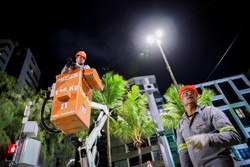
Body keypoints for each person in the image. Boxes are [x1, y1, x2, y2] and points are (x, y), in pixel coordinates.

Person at [176, 85, 241, 167]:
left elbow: (234, 136)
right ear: (181, 101)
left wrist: (206, 139)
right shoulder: (180, 126)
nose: (189, 94)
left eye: (192, 93)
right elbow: (183, 152)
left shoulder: (211, 111)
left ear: (197, 97)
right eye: (185, 93)